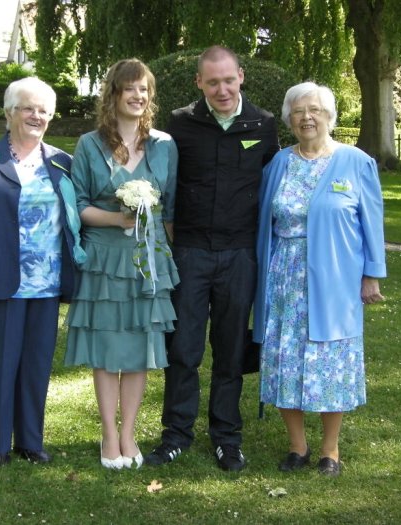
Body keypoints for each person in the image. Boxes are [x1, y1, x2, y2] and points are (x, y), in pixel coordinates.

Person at [145, 46, 279, 471]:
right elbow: (165, 185)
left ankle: (227, 437)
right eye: (213, 82)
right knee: (183, 348)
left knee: (230, 349)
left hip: (240, 254)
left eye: (229, 80)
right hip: (190, 252)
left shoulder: (263, 124)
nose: (222, 89)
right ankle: (176, 434)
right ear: (199, 83)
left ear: (241, 77)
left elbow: (274, 187)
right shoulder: (180, 124)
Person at [0, 77, 85, 468]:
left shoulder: (62, 162)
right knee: (0, 365)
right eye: (28, 108)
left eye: (44, 110)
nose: (36, 116)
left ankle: (30, 441)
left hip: (47, 282)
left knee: (36, 366)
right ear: (9, 113)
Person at [252, 81, 386, 476]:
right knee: (284, 359)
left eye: (314, 110)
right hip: (284, 278)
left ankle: (331, 449)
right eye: (298, 111)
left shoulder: (356, 162)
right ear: (289, 119)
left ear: (330, 116)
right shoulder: (278, 164)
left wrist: (372, 274)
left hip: (336, 279)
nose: (306, 117)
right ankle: (297, 446)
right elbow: (264, 221)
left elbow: (372, 222)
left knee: (331, 360)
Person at [64, 59, 179, 470]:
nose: (138, 96)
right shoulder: (89, 144)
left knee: (139, 348)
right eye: (129, 88)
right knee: (106, 348)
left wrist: (169, 259)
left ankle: (129, 432)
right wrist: (116, 219)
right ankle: (108, 434)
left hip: (148, 260)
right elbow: (77, 205)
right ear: (113, 94)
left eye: (144, 89)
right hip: (104, 258)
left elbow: (170, 209)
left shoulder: (165, 145)